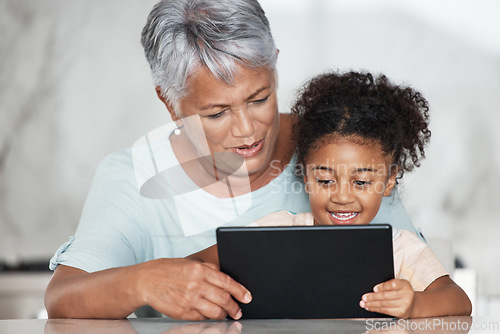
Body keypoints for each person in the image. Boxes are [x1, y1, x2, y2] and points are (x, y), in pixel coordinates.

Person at [45, 0, 419, 321]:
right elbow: (62, 297)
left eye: (259, 99)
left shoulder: (340, 149)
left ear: (275, 65)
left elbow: (424, 285)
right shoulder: (133, 176)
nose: (247, 129)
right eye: (216, 113)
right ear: (169, 103)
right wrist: (142, 281)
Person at [239, 71, 472, 318]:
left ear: (389, 181)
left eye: (360, 182)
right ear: (306, 178)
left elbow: (459, 301)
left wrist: (415, 304)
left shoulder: (400, 250)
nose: (342, 197)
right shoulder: (275, 232)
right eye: (325, 180)